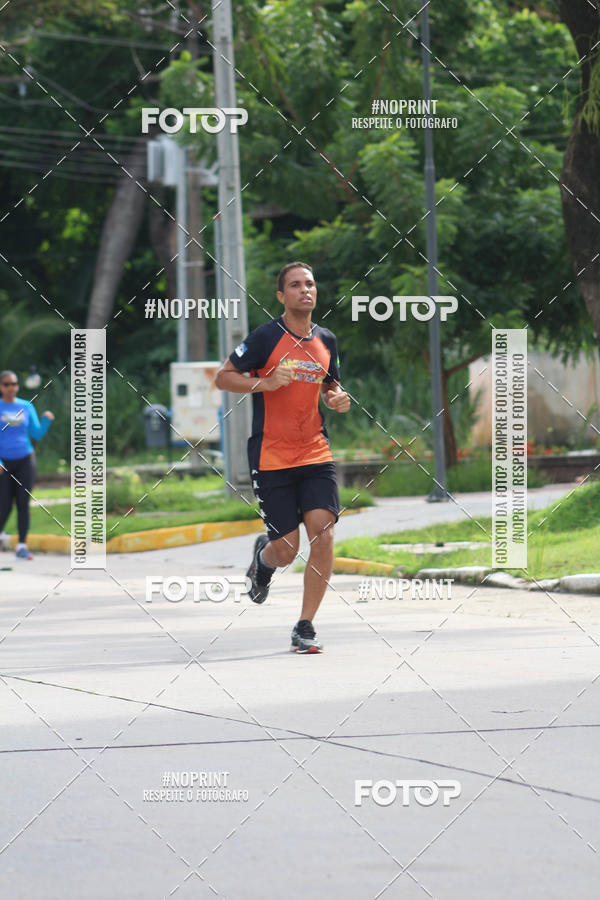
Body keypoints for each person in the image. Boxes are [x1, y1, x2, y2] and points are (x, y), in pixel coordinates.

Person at [215, 262, 350, 653]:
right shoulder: (265, 337)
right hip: (271, 454)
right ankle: (264, 559)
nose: (304, 290)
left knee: (323, 535)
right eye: (295, 285)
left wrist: (337, 398)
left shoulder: (326, 339)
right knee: (286, 549)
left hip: (314, 451)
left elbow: (331, 384)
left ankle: (305, 626)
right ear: (281, 296)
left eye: (309, 283)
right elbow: (224, 377)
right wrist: (265, 382)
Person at [0, 370, 54, 560]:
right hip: (4, 463)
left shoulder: (26, 406)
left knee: (23, 503)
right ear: (0, 387)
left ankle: (22, 546)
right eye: (6, 384)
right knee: (4, 505)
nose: (11, 388)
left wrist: (46, 420)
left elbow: (37, 434)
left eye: (14, 384)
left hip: (25, 459)